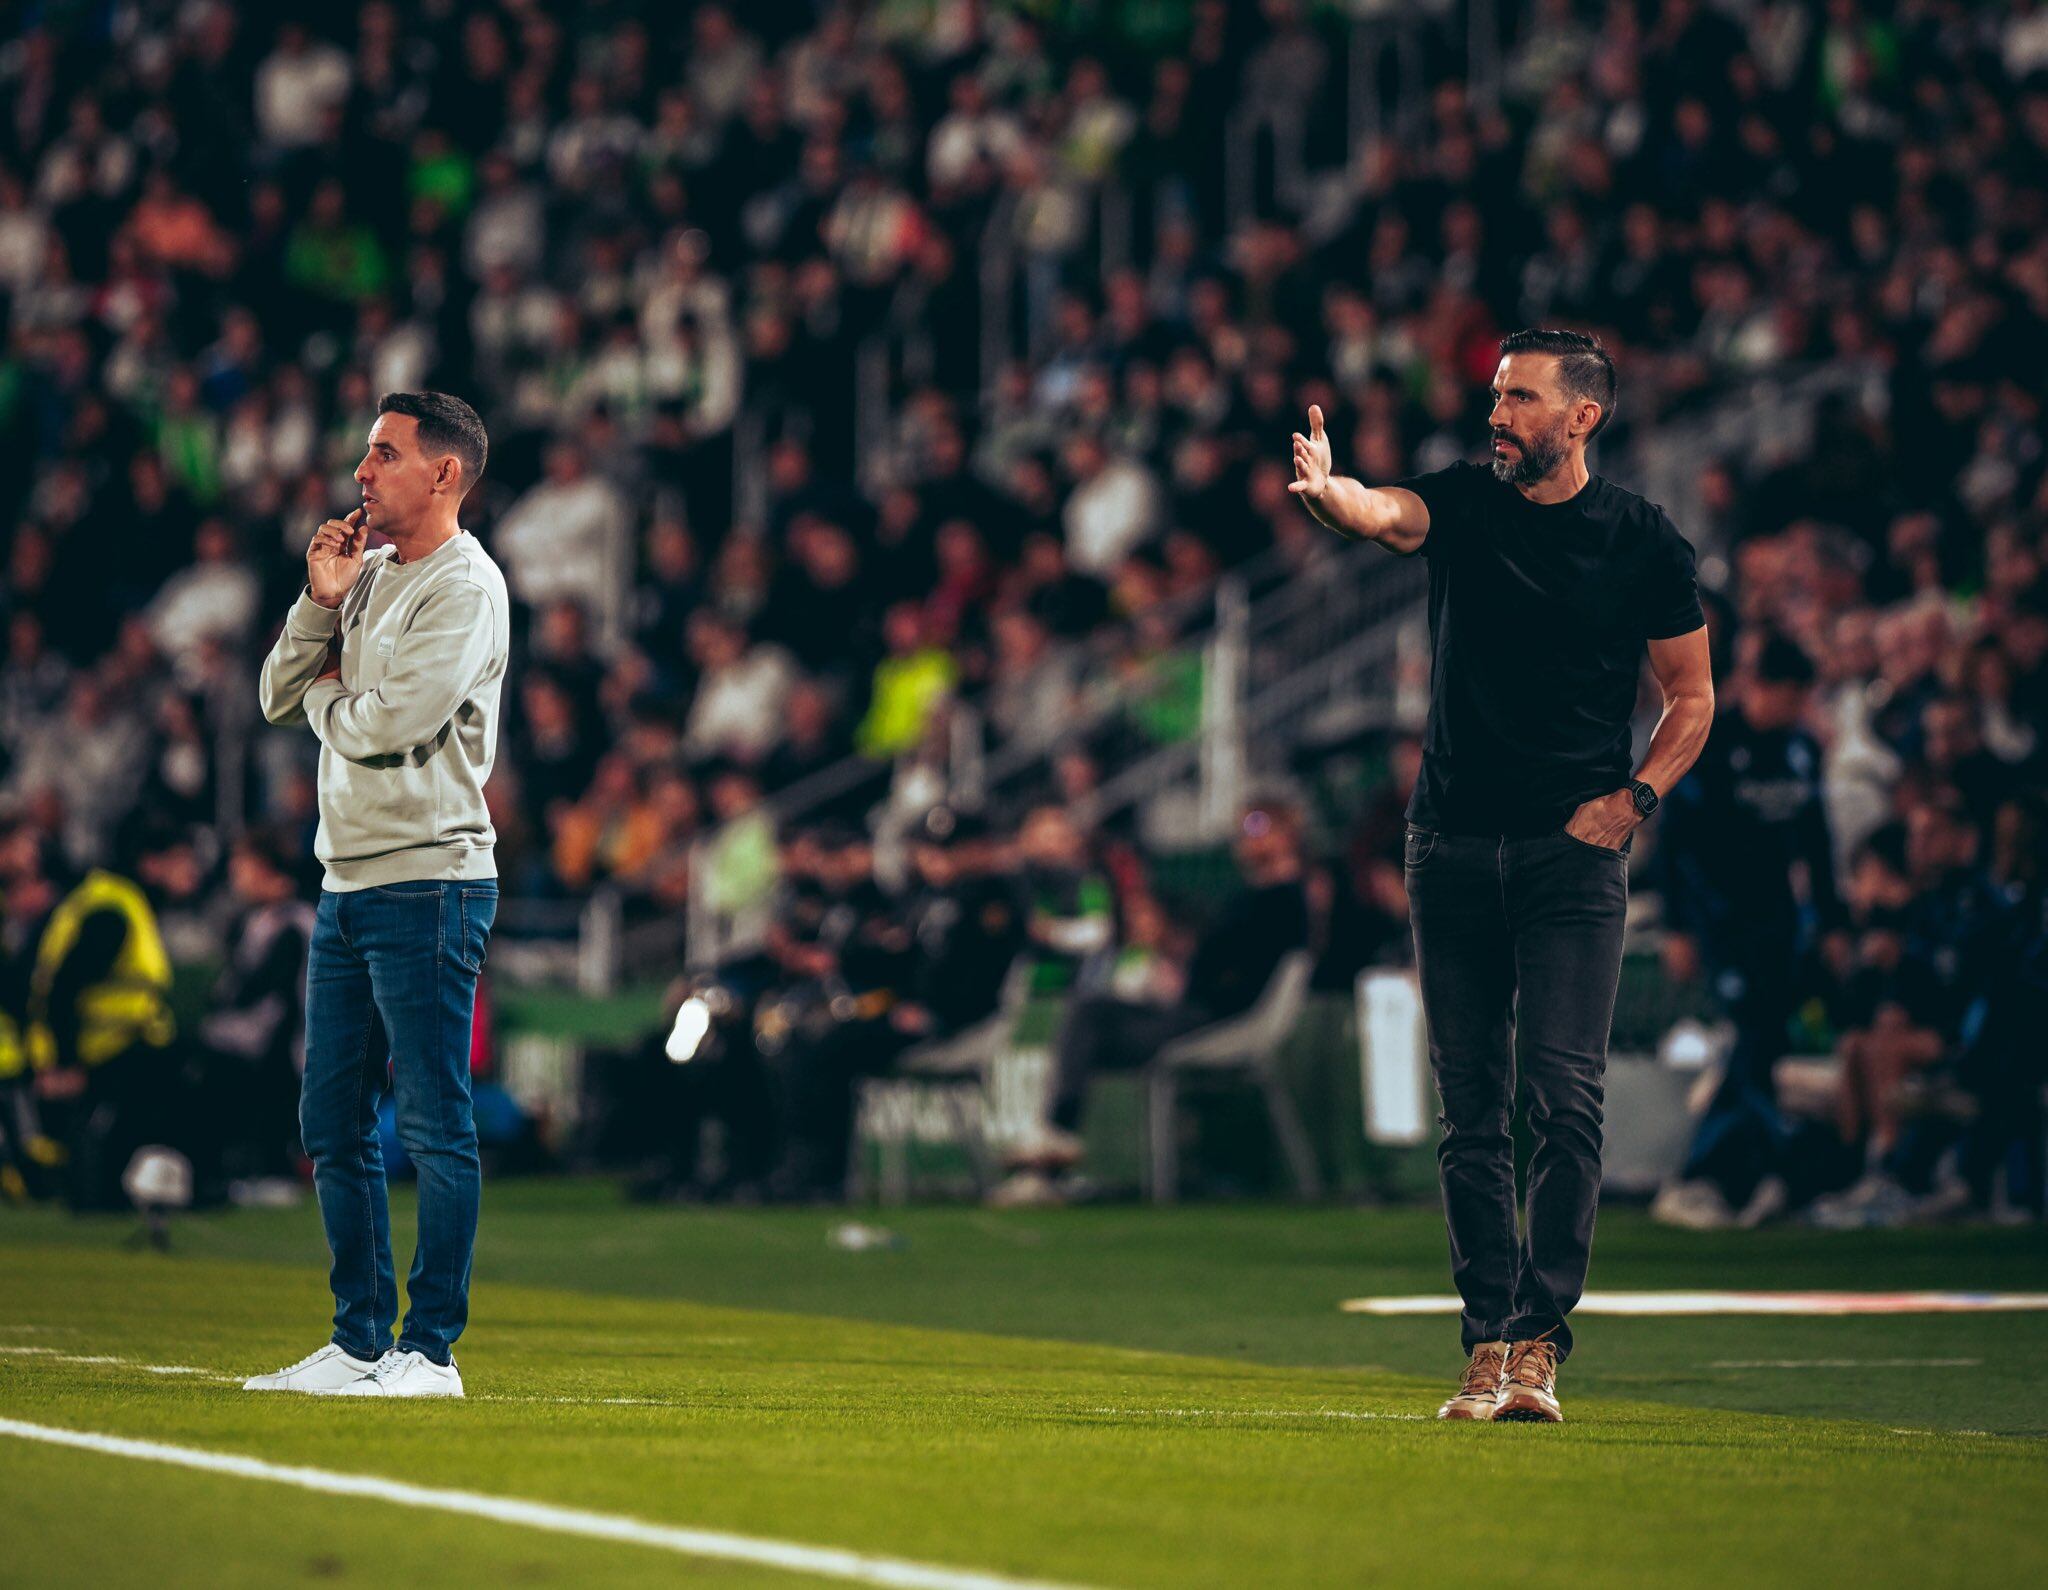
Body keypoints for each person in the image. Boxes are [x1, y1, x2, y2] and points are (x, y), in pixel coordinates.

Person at [1291, 329, 1714, 1422]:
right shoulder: (1466, 505)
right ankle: (1485, 1341)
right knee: (1469, 1108)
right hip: (1447, 842)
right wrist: (1337, 496)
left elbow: (1692, 696)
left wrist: (1632, 800)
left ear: (1581, 417)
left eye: (1519, 398)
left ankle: (1538, 1341)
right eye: (1494, 394)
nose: (1497, 415)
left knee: (1560, 1096)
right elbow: (1389, 514)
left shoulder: (1640, 540)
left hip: (1568, 852)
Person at [247, 391, 508, 1399]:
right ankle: (359, 1342)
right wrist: (320, 603)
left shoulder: (466, 588)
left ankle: (430, 1349)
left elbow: (387, 725)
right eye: (365, 454)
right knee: (330, 1123)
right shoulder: (370, 576)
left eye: (386, 455)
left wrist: (327, 692)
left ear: (444, 474)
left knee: (436, 1120)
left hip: (431, 880)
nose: (362, 474)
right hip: (347, 880)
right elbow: (275, 691)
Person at [998, 802, 1311, 1204]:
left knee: (1092, 1020)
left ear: (1287, 833)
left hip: (1216, 1018)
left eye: (1258, 824)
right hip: (1193, 1009)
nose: (1245, 835)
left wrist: (1200, 978)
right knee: (1091, 1010)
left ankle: (1052, 1144)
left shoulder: (1286, 897)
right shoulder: (1253, 895)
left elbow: (1240, 975)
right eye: (1243, 826)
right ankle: (1053, 1146)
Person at [1651, 634, 1846, 1229]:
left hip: (1781, 923)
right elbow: (1673, 840)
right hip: (1722, 922)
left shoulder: (1802, 752)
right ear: (1762, 688)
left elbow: (1817, 842)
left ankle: (1744, 1177)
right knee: (1755, 1038)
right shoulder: (1711, 743)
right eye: (1789, 695)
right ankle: (1712, 1174)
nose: (1793, 708)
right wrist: (1677, 926)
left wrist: (1832, 921)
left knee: (1763, 1047)